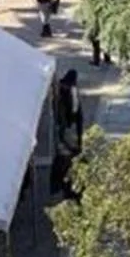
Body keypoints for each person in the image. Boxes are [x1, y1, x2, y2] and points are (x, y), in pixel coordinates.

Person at [51, 69, 84, 198]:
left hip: (69, 125)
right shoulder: (69, 90)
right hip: (68, 124)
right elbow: (74, 111)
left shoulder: (67, 89)